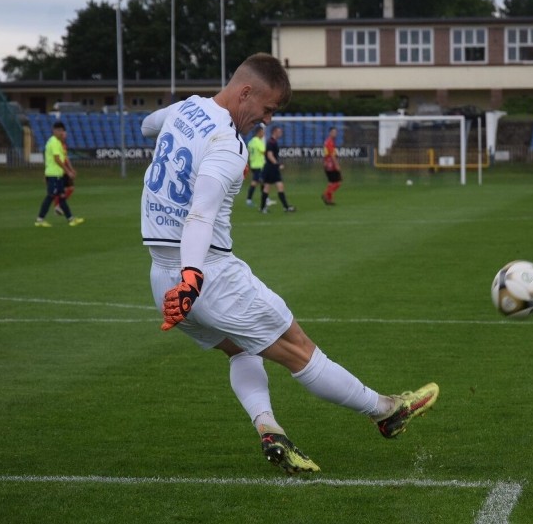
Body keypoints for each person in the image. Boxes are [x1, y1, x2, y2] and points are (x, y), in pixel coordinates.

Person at [139, 52, 438, 474]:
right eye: (266, 109)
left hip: (160, 277)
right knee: (300, 350)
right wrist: (192, 279)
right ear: (245, 92)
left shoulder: (187, 108)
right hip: (208, 275)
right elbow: (200, 215)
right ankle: (385, 411)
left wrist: (183, 281)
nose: (264, 121)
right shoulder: (228, 144)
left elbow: (147, 125)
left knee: (241, 350)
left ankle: (268, 428)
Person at [35, 121, 84, 227]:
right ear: (54, 131)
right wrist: (68, 172)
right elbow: (57, 159)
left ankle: (71, 219)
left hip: (57, 174)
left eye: (61, 131)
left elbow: (62, 158)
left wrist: (68, 171)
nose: (60, 133)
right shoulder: (53, 142)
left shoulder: (57, 142)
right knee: (50, 197)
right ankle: (40, 220)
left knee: (61, 197)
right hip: (54, 175)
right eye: (58, 130)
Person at [259, 125, 296, 213]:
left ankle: (285, 207)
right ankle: (264, 208)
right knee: (268, 187)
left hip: (271, 168)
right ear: (274, 132)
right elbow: (269, 155)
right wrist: (277, 164)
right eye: (279, 132)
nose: (281, 133)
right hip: (271, 168)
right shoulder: (271, 142)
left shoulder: (273, 141)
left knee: (277, 186)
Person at [53, 133, 76, 216]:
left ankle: (58, 205)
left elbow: (66, 158)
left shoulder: (64, 145)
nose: (65, 137)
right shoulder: (57, 146)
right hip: (60, 170)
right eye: (63, 135)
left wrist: (71, 169)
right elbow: (58, 160)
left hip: (65, 169)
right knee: (62, 190)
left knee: (70, 188)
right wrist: (68, 171)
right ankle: (58, 205)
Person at [244, 125, 266, 206]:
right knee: (255, 182)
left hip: (253, 164)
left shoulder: (251, 142)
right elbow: (263, 152)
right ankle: (249, 200)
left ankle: (265, 198)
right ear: (259, 132)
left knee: (263, 181)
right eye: (263, 132)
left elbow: (249, 153)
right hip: (259, 165)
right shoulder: (258, 142)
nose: (263, 133)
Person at [321, 126, 342, 205]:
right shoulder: (330, 142)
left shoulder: (327, 141)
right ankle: (326, 194)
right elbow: (332, 155)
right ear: (330, 133)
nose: (335, 134)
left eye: (336, 132)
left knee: (331, 182)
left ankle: (329, 200)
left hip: (326, 164)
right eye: (333, 132)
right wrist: (336, 165)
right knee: (338, 182)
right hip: (331, 165)